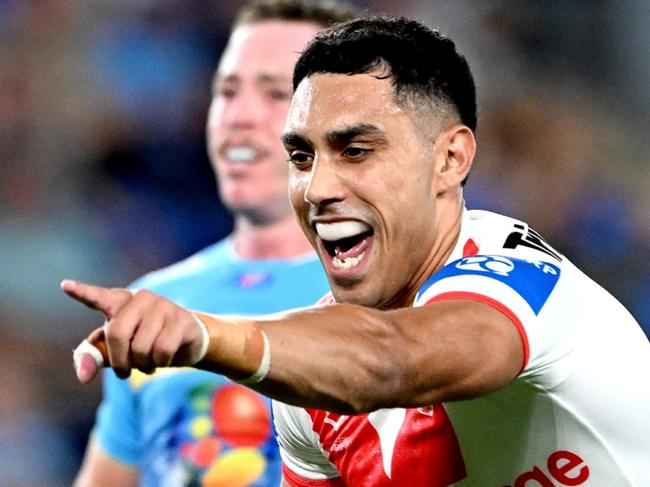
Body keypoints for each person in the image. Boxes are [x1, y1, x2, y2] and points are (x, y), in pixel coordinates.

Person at [64, 16, 650, 486]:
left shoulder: (525, 282)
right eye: (301, 157)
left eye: (356, 151)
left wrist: (207, 337)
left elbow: (391, 362)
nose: (317, 189)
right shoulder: (309, 389)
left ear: (450, 160)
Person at [71, 2, 358, 486]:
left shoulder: (398, 296)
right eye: (227, 90)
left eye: (275, 93)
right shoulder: (154, 300)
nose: (239, 115)